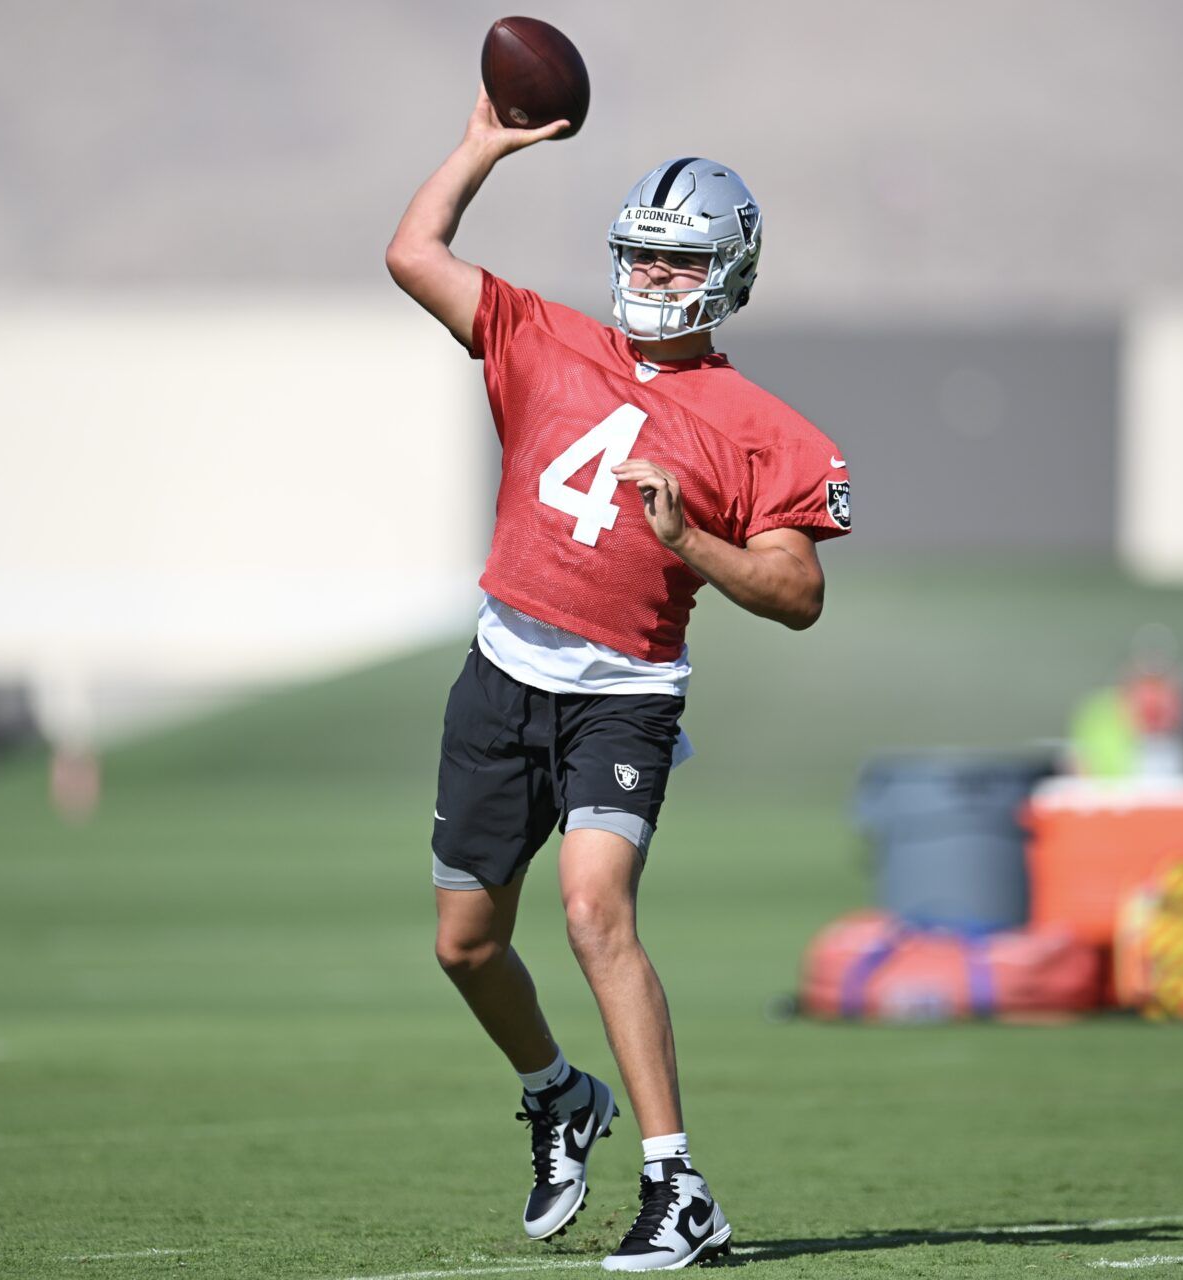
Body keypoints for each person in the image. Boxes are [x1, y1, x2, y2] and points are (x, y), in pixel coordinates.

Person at [385, 87, 850, 1272]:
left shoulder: (761, 428)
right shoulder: (543, 337)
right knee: (465, 946)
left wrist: (692, 542)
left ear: (728, 274)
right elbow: (413, 253)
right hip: (501, 670)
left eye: (675, 260)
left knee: (596, 910)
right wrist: (484, 144)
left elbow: (798, 594)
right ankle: (556, 1092)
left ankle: (677, 1185)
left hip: (625, 691)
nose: (648, 279)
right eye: (639, 256)